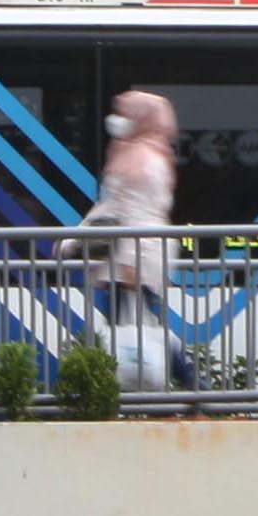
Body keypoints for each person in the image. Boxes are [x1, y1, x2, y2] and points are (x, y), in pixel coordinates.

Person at [80, 89, 194, 391]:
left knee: (134, 330)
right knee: (139, 328)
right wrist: (74, 239)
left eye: (128, 114)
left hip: (136, 257)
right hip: (128, 256)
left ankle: (190, 386)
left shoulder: (144, 161)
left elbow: (136, 213)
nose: (118, 121)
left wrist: (129, 261)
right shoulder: (131, 153)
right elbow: (112, 205)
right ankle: (190, 389)